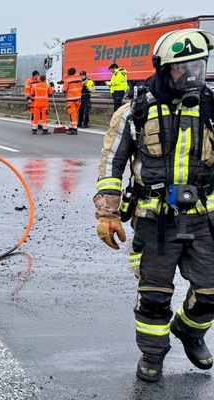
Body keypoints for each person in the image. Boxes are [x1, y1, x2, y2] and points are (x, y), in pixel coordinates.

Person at [93, 28, 214, 383]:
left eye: (199, 65)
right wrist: (108, 214)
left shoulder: (211, 109)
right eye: (183, 68)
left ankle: (189, 331)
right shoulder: (135, 113)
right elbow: (111, 165)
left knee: (210, 292)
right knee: (155, 297)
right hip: (153, 219)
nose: (192, 74)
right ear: (164, 70)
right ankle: (152, 354)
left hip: (204, 218)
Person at [62, 67, 83, 134]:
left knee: (72, 114)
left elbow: (64, 90)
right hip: (79, 100)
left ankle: (74, 129)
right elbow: (81, 88)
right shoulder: (80, 80)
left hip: (71, 100)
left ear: (68, 73)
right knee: (74, 114)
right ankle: (71, 126)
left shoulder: (68, 80)